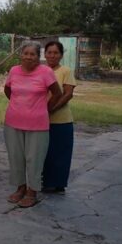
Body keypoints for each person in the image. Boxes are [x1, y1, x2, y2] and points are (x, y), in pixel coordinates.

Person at [3, 40, 62, 208]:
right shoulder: (14, 71)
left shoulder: (46, 72)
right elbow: (8, 90)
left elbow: (57, 93)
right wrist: (19, 105)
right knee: (16, 158)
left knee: (34, 159)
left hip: (37, 124)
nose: (29, 57)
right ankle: (20, 188)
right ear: (21, 55)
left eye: (33, 54)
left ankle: (32, 192)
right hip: (13, 122)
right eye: (26, 53)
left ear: (38, 57)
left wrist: (45, 108)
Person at [42, 41, 77, 193]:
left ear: (61, 55)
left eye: (55, 53)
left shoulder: (66, 71)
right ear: (45, 54)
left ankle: (58, 183)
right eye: (49, 52)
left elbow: (68, 94)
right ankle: (45, 181)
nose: (52, 55)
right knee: (44, 152)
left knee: (60, 153)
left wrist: (52, 109)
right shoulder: (40, 70)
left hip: (61, 120)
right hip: (40, 120)